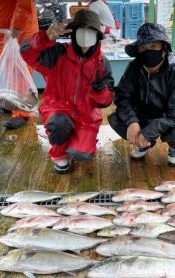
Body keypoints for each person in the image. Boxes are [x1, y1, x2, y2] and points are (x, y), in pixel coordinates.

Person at [20, 9, 114, 174]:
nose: (85, 34)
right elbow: (26, 52)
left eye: (90, 30)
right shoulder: (57, 53)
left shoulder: (102, 64)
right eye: (80, 29)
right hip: (58, 109)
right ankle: (59, 155)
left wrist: (101, 91)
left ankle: (75, 142)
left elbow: (106, 101)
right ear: (73, 32)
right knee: (58, 125)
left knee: (82, 153)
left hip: (86, 116)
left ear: (98, 36)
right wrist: (44, 38)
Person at [108, 23, 175, 166]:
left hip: (170, 118)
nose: (147, 51)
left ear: (164, 48)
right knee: (117, 119)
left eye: (153, 46)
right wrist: (132, 121)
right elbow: (123, 97)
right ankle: (145, 143)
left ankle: (174, 149)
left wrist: (151, 130)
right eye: (143, 48)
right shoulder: (134, 67)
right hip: (144, 114)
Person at [0, 0, 39, 129]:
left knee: (19, 75)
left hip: (16, 32)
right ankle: (12, 102)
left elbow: (26, 3)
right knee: (6, 71)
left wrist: (17, 26)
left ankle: (22, 112)